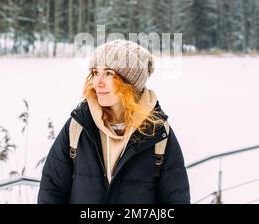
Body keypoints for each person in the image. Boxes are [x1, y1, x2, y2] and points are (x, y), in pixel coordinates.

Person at [38, 39, 190, 204]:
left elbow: (176, 199)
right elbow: (51, 190)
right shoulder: (78, 126)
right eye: (96, 72)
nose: (97, 82)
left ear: (130, 83)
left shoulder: (158, 133)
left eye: (109, 73)